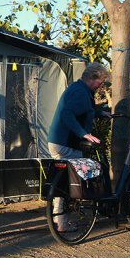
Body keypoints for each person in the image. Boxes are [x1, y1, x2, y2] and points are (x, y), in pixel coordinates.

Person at [47, 62, 110, 232]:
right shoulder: (81, 92)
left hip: (57, 141)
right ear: (92, 78)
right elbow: (68, 113)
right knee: (76, 181)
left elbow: (82, 109)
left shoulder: (79, 88)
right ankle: (65, 221)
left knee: (62, 183)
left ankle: (59, 220)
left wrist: (99, 113)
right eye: (101, 81)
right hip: (67, 143)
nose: (101, 85)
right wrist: (84, 133)